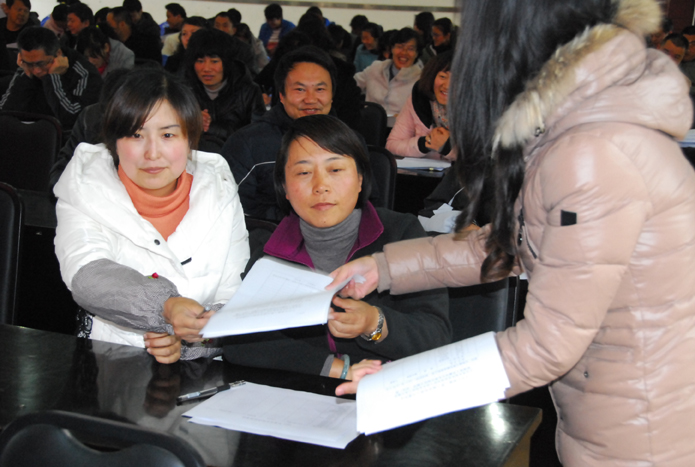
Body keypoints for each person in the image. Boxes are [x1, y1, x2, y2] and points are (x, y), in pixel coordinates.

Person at [329, 0, 695, 465]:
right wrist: (382, 268)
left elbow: (547, 344)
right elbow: (516, 242)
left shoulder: (590, 152)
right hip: (623, 404)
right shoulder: (581, 124)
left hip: (638, 427)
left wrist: (404, 385)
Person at [216, 114, 450, 378]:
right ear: (284, 188)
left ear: (360, 179)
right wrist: (336, 368)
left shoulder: (402, 235)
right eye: (303, 173)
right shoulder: (272, 251)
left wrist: (374, 323)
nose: (321, 186)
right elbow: (239, 341)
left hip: (389, 388)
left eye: (335, 170)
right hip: (304, 394)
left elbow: (436, 336)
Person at [53, 68, 250, 363]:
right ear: (114, 141)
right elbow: (88, 274)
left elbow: (233, 291)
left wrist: (195, 337)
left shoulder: (218, 186)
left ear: (189, 138)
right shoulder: (85, 186)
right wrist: (166, 307)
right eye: (136, 135)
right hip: (110, 360)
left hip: (204, 370)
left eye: (168, 135)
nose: (152, 153)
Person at [222, 46, 366, 222]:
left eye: (320, 89)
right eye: (299, 90)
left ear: (332, 95)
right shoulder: (247, 143)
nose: (310, 99)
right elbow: (234, 208)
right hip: (270, 234)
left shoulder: (351, 141)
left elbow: (367, 202)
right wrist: (298, 223)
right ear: (281, 95)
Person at [0, 26, 101, 131]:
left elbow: (72, 119)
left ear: (58, 54)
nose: (36, 71)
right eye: (30, 64)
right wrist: (26, 76)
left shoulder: (85, 73)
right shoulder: (26, 67)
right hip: (28, 133)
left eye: (41, 63)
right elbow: (4, 113)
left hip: (64, 138)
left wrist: (53, 78)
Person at [183, 28, 265, 144]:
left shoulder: (248, 92)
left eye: (214, 61)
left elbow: (258, 135)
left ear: (227, 63)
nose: (206, 69)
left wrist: (210, 126)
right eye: (200, 61)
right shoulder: (184, 91)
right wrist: (189, 121)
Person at [386, 51, 454, 160]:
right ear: (432, 77)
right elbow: (392, 145)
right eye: (442, 76)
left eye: (456, 80)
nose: (447, 86)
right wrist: (425, 143)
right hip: (426, 169)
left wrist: (447, 147)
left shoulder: (475, 108)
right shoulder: (420, 98)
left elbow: (479, 156)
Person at [354, 27, 423, 117]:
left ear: (417, 53)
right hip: (369, 123)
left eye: (410, 49)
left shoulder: (421, 80)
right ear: (392, 49)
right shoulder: (376, 68)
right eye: (400, 47)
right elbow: (352, 84)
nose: (404, 53)